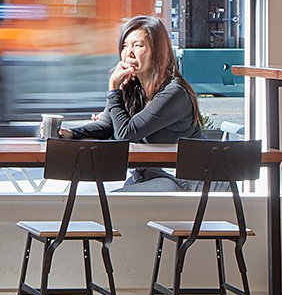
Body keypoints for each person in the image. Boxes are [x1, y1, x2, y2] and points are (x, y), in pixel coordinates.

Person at [67, 15, 206, 187]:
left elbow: (126, 134)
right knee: (82, 193)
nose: (128, 53)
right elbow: (107, 124)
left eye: (138, 45)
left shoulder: (174, 92)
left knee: (107, 204)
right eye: (125, 46)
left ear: (157, 51)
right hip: (151, 175)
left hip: (185, 180)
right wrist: (72, 133)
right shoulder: (132, 87)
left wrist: (113, 88)